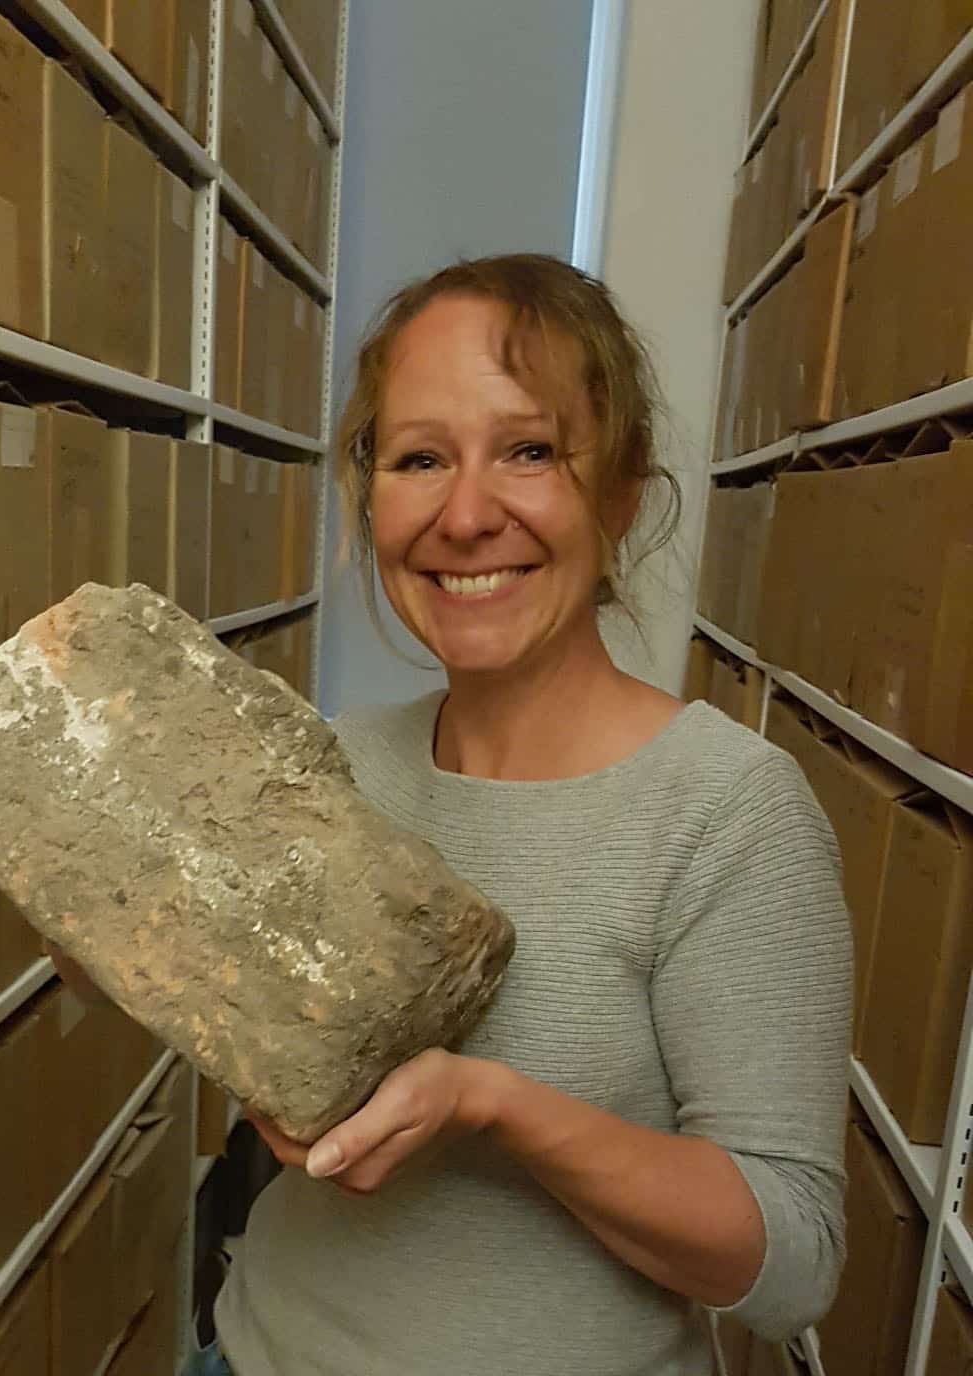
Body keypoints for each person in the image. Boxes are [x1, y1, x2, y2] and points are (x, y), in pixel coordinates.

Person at [60, 253, 852, 1375]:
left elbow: (794, 1258)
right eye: (420, 458)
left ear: (621, 487)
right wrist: (99, 908)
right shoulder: (341, 761)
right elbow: (215, 998)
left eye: (528, 451)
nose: (467, 515)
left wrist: (493, 1105)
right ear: (370, 492)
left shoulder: (729, 811)